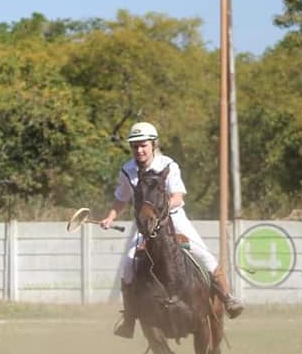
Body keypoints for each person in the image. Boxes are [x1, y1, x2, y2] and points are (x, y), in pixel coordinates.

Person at [100, 121, 244, 338]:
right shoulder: (127, 170)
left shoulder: (169, 165)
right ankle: (129, 319)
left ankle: (227, 298)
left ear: (153, 144)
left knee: (205, 257)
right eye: (135, 146)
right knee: (129, 265)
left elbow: (177, 197)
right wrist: (110, 217)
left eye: (143, 145)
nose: (139, 150)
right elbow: (121, 198)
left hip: (174, 220)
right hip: (144, 226)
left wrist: (160, 209)